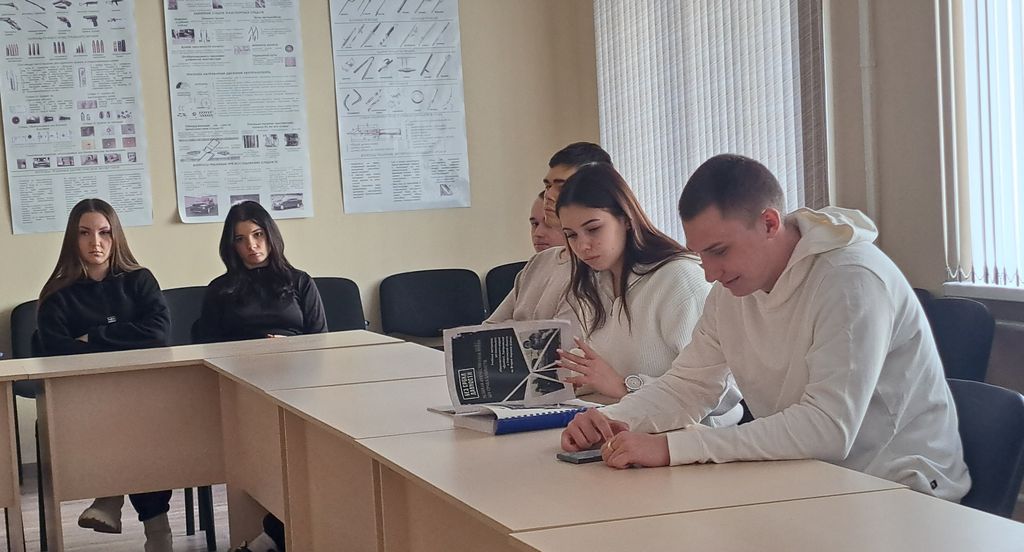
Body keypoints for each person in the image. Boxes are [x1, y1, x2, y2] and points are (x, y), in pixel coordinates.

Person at [561, 154, 971, 502]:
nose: (709, 273)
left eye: (719, 251)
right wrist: (611, 419)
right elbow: (689, 385)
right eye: (701, 255)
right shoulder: (731, 291)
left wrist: (672, 447)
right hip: (811, 478)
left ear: (770, 223)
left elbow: (828, 429)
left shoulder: (851, 280)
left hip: (899, 487)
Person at [553, 163, 742, 424]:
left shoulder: (679, 277)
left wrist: (625, 385)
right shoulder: (592, 284)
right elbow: (601, 373)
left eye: (594, 229)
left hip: (691, 431)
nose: (583, 245)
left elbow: (723, 394)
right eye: (571, 235)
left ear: (626, 219)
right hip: (619, 422)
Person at [36, 198, 174, 552]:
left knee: (141, 419)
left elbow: (159, 332)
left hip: (141, 391)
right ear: (73, 238)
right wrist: (127, 337)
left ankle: (111, 496)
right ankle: (157, 530)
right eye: (84, 233)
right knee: (133, 422)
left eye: (104, 233)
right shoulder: (57, 295)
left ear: (116, 237)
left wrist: (94, 337)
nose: (95, 242)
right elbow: (57, 351)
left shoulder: (139, 280)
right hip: (85, 398)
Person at [193, 201, 326, 552]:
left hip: (297, 388)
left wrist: (290, 347)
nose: (251, 245)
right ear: (231, 246)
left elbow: (322, 342)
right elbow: (206, 345)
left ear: (270, 235)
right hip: (244, 389)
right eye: (241, 239)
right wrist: (251, 350)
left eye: (257, 234)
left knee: (309, 465)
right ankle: (271, 538)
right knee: (271, 468)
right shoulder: (220, 289)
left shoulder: (299, 281)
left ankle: (271, 538)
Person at [488, 142, 611, 324]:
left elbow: (559, 338)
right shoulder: (539, 262)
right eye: (548, 186)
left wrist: (512, 328)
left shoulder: (597, 269)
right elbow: (488, 329)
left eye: (562, 187)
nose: (549, 195)